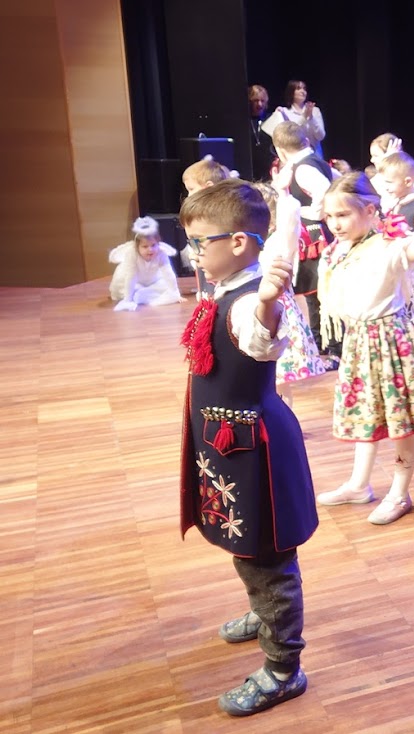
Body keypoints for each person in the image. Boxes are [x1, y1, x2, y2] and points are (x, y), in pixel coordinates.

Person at [177, 179, 317, 716]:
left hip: (252, 448)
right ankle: (264, 612)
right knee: (247, 543)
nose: (192, 252)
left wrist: (267, 305)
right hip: (227, 446)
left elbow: (260, 339)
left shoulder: (249, 301)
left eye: (199, 242)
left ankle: (283, 669)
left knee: (268, 557)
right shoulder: (224, 286)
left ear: (238, 242)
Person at [313, 173, 414, 524]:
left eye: (343, 215)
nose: (335, 223)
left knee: (399, 419)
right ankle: (359, 484)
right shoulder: (338, 250)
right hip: (359, 342)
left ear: (370, 211)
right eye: (330, 216)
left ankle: (399, 492)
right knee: (367, 414)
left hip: (390, 343)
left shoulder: (388, 245)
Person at [254, 182, 327, 399]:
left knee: (279, 377)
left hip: (278, 309)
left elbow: (290, 219)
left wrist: (283, 192)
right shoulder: (254, 242)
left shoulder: (280, 241)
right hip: (256, 305)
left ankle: (284, 416)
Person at [271, 122, 336, 356]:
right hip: (315, 234)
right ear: (306, 141)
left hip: (316, 236)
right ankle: (322, 342)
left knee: (319, 292)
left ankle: (330, 345)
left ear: (280, 149)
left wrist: (306, 212)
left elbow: (327, 195)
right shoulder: (310, 163)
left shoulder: (303, 168)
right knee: (315, 292)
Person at [377, 151, 414, 348]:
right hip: (399, 269)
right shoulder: (394, 205)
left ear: (408, 181)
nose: (385, 187)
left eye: (389, 182)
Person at [183, 157, 233, 299]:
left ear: (209, 186)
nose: (189, 195)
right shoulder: (198, 214)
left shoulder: (221, 214)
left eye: (191, 189)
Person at [108, 216, 182, 311]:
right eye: (145, 246)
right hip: (135, 281)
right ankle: (135, 295)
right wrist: (128, 300)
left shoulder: (161, 253)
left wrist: (175, 293)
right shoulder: (132, 254)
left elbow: (168, 273)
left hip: (152, 279)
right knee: (131, 290)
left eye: (153, 245)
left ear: (158, 243)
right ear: (137, 246)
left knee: (164, 286)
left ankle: (144, 293)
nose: (150, 250)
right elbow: (131, 277)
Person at [261, 79, 326, 157]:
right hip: (296, 157)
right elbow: (292, 135)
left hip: (316, 155)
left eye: (304, 89)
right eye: (298, 88)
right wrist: (304, 117)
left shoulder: (315, 110)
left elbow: (321, 136)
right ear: (291, 93)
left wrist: (311, 118)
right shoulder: (285, 112)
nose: (303, 91)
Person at [248, 85, 276, 181]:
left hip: (268, 168)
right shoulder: (244, 121)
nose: (259, 104)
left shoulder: (271, 119)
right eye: (256, 100)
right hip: (250, 167)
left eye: (262, 101)